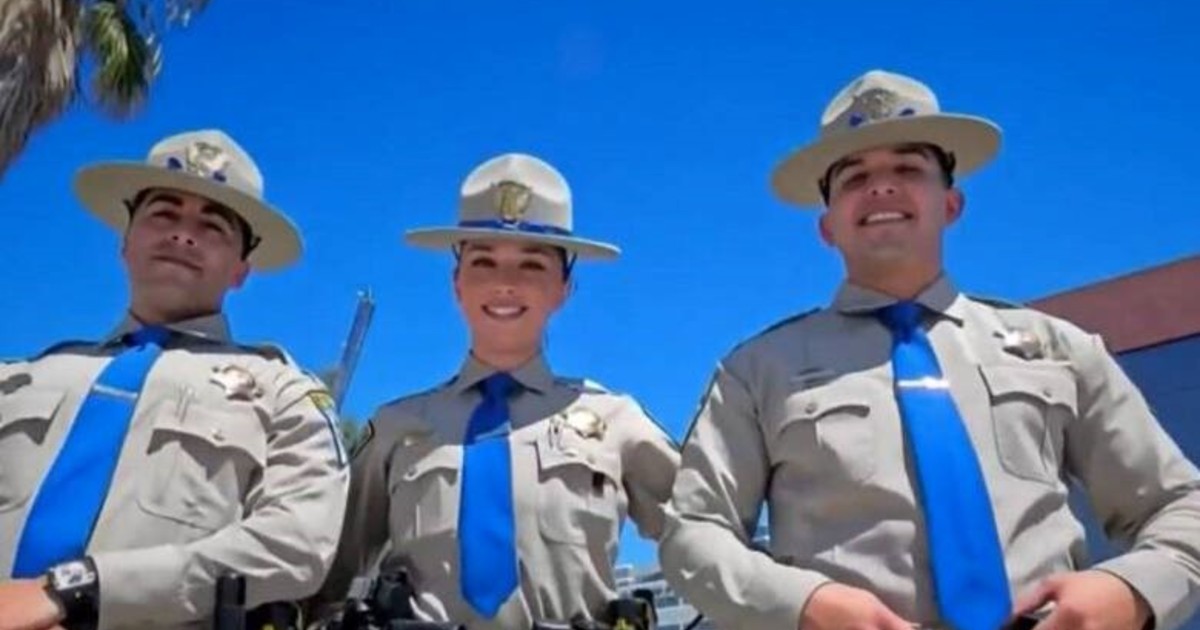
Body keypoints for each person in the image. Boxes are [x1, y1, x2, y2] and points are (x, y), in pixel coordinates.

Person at [658, 70, 1200, 630]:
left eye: (908, 168)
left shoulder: (1059, 350)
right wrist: (807, 604)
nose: (881, 187)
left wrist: (1131, 590)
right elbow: (693, 534)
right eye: (854, 177)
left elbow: (1180, 504)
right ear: (827, 227)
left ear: (952, 204)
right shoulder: (756, 372)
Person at [0, 130, 350, 630]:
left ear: (241, 269)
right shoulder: (18, 379)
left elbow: (296, 544)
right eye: (164, 214)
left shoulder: (285, 393)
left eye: (213, 227)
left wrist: (77, 590)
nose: (184, 235)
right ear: (125, 242)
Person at [315, 153, 679, 629]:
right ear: (457, 284)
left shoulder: (618, 423)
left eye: (532, 265)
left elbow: (712, 544)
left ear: (565, 287)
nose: (505, 283)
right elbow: (324, 575)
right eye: (483, 262)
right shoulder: (395, 428)